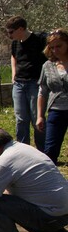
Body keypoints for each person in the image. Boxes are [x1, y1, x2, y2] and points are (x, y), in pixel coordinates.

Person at [6, 16, 47, 151]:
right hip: (18, 84)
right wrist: (13, 75)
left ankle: (42, 151)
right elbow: (14, 57)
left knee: (37, 118)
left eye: (11, 32)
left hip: (35, 83)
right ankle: (23, 150)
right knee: (21, 119)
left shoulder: (39, 39)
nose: (9, 35)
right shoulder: (15, 43)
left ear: (21, 29)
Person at [36, 29, 68, 165]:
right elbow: (42, 91)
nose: (55, 50)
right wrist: (40, 116)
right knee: (50, 152)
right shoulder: (47, 66)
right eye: (52, 47)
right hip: (56, 110)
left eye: (59, 46)